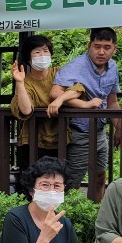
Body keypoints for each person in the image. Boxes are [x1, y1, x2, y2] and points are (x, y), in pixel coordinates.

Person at [54, 27, 120, 200]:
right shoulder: (76, 65)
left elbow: (112, 101)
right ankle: (66, 219)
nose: (101, 51)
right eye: (97, 46)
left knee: (100, 177)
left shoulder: (113, 68)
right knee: (72, 180)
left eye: (107, 47)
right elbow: (55, 93)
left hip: (100, 132)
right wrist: (84, 104)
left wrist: (120, 128)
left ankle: (96, 216)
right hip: (79, 131)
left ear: (114, 49)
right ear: (89, 46)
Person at [9, 35, 85, 170]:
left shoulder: (59, 73)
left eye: (45, 51)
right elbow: (26, 110)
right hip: (33, 140)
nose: (42, 55)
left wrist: (60, 99)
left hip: (60, 139)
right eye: (37, 52)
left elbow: (79, 88)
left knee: (59, 180)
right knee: (32, 183)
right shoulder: (26, 82)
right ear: (28, 57)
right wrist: (19, 83)